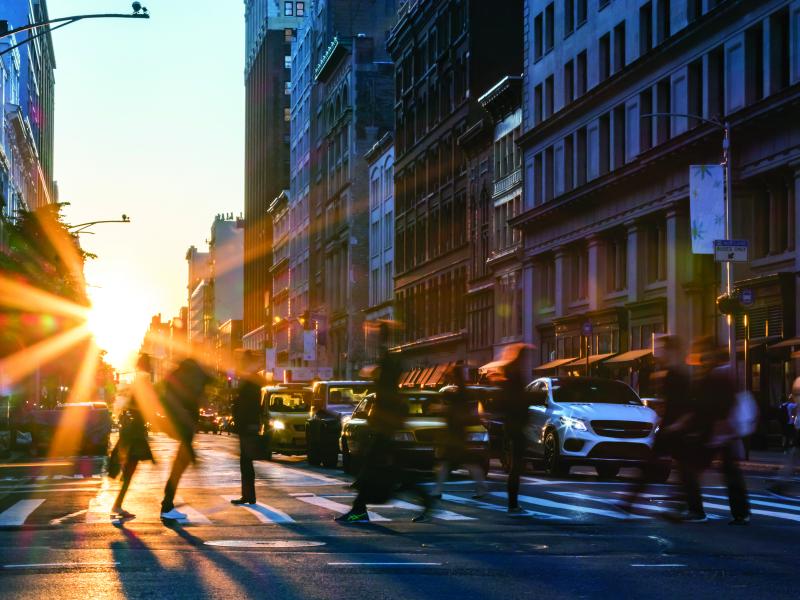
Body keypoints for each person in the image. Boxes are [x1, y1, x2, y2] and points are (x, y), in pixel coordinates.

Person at [336, 321, 432, 523]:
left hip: (385, 428)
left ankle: (360, 509)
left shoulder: (388, 369)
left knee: (381, 471)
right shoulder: (389, 368)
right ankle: (360, 507)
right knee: (388, 472)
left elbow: (386, 385)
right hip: (384, 427)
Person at [620, 335, 691, 514]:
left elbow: (683, 403)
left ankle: (630, 501)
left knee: (678, 469)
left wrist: (677, 424)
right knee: (662, 467)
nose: (661, 353)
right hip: (670, 427)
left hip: (674, 428)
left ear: (672, 351)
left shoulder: (678, 375)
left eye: (664, 349)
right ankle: (630, 501)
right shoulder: (672, 373)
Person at [688, 341, 751, 525]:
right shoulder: (725, 374)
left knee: (693, 470)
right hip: (724, 433)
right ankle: (741, 513)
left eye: (706, 354)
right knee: (731, 473)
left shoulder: (716, 376)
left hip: (715, 432)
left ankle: (696, 511)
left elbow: (709, 405)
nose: (703, 358)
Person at [159, 357, 213, 520]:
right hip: (185, 426)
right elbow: (195, 400)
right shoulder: (189, 379)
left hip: (183, 426)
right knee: (180, 464)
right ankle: (167, 505)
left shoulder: (179, 377)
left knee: (180, 463)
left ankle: (167, 503)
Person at [110, 354, 155, 519]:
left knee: (129, 468)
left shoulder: (139, 380)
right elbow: (145, 404)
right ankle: (117, 504)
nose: (151, 366)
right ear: (146, 365)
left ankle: (118, 503)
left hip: (133, 431)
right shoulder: (143, 381)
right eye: (149, 363)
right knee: (130, 469)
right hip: (135, 432)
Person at [432, 363, 487, 499]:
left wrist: (442, 409)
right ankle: (481, 487)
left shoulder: (459, 393)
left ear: (455, 377)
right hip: (457, 433)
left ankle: (438, 490)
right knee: (462, 461)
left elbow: (452, 406)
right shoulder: (461, 391)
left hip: (455, 433)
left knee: (451, 461)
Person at [498, 343, 533, 514]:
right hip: (516, 425)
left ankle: (513, 503)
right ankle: (513, 504)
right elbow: (518, 400)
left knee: (516, 466)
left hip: (513, 425)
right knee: (516, 466)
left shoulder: (510, 374)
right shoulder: (515, 375)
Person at [230, 351, 264, 505]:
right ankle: (248, 495)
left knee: (246, 460)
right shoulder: (248, 380)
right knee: (246, 461)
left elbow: (250, 405)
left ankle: (249, 495)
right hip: (246, 425)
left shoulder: (251, 381)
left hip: (247, 426)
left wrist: (249, 423)